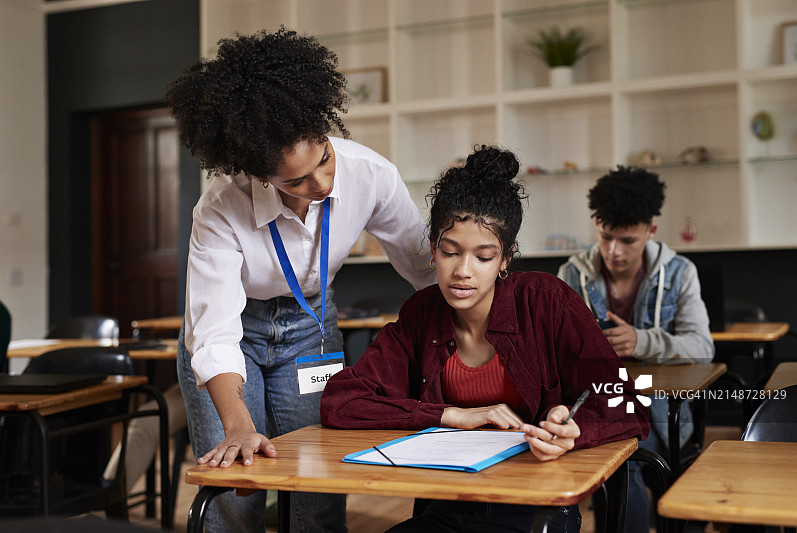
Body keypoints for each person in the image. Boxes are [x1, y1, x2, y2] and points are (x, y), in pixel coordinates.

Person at [166, 28, 434, 533]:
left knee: (317, 483)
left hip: (311, 327)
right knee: (237, 488)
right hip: (236, 333)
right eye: (296, 180)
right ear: (259, 175)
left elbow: (423, 265)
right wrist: (238, 426)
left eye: (324, 160)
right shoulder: (221, 206)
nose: (323, 183)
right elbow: (215, 331)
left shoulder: (371, 174)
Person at [321, 146, 650, 533]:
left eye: (483, 257)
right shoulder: (422, 313)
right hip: (445, 505)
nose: (463, 271)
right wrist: (450, 416)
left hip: (536, 506)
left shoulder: (546, 301)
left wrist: (574, 431)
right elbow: (341, 401)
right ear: (433, 250)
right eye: (450, 252)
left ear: (505, 259)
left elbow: (628, 404)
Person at [556, 165, 714, 533]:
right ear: (597, 224)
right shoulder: (571, 276)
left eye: (627, 240)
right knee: (620, 472)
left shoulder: (680, 273)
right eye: (606, 237)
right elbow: (554, 352)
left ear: (651, 230)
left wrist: (641, 341)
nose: (614, 251)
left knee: (676, 496)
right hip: (602, 407)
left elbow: (702, 346)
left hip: (663, 410)